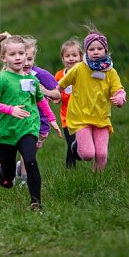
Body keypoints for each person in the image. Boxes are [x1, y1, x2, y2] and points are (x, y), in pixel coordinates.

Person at [0, 32, 61, 212]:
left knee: (31, 161)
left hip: (28, 128)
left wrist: (52, 119)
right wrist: (11, 110)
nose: (18, 58)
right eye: (12, 54)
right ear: (3, 58)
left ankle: (36, 203)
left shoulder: (31, 79)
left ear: (26, 55)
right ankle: (0, 171)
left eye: (21, 54)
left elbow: (39, 100)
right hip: (6, 133)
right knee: (8, 180)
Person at [57, 27, 126, 172]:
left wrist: (120, 98)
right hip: (80, 117)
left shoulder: (110, 71)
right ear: (86, 52)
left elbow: (118, 89)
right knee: (88, 154)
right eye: (92, 49)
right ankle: (76, 145)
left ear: (105, 50)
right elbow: (61, 84)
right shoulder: (79, 68)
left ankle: (97, 181)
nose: (96, 52)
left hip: (101, 117)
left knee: (101, 154)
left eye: (99, 48)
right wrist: (52, 93)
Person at [14, 37, 61, 185]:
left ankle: (20, 167)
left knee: (34, 148)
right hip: (22, 119)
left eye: (30, 59)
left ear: (34, 58)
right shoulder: (12, 74)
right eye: (23, 59)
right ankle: (24, 179)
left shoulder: (42, 75)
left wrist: (45, 91)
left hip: (42, 121)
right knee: (27, 148)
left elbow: (58, 95)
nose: (26, 63)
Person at [54, 38, 83, 168]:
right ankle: (70, 171)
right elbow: (56, 94)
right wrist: (55, 98)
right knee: (71, 144)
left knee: (80, 144)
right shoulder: (59, 76)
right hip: (66, 118)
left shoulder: (84, 74)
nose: (71, 59)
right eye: (67, 56)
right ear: (63, 58)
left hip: (84, 116)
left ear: (81, 57)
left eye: (74, 55)